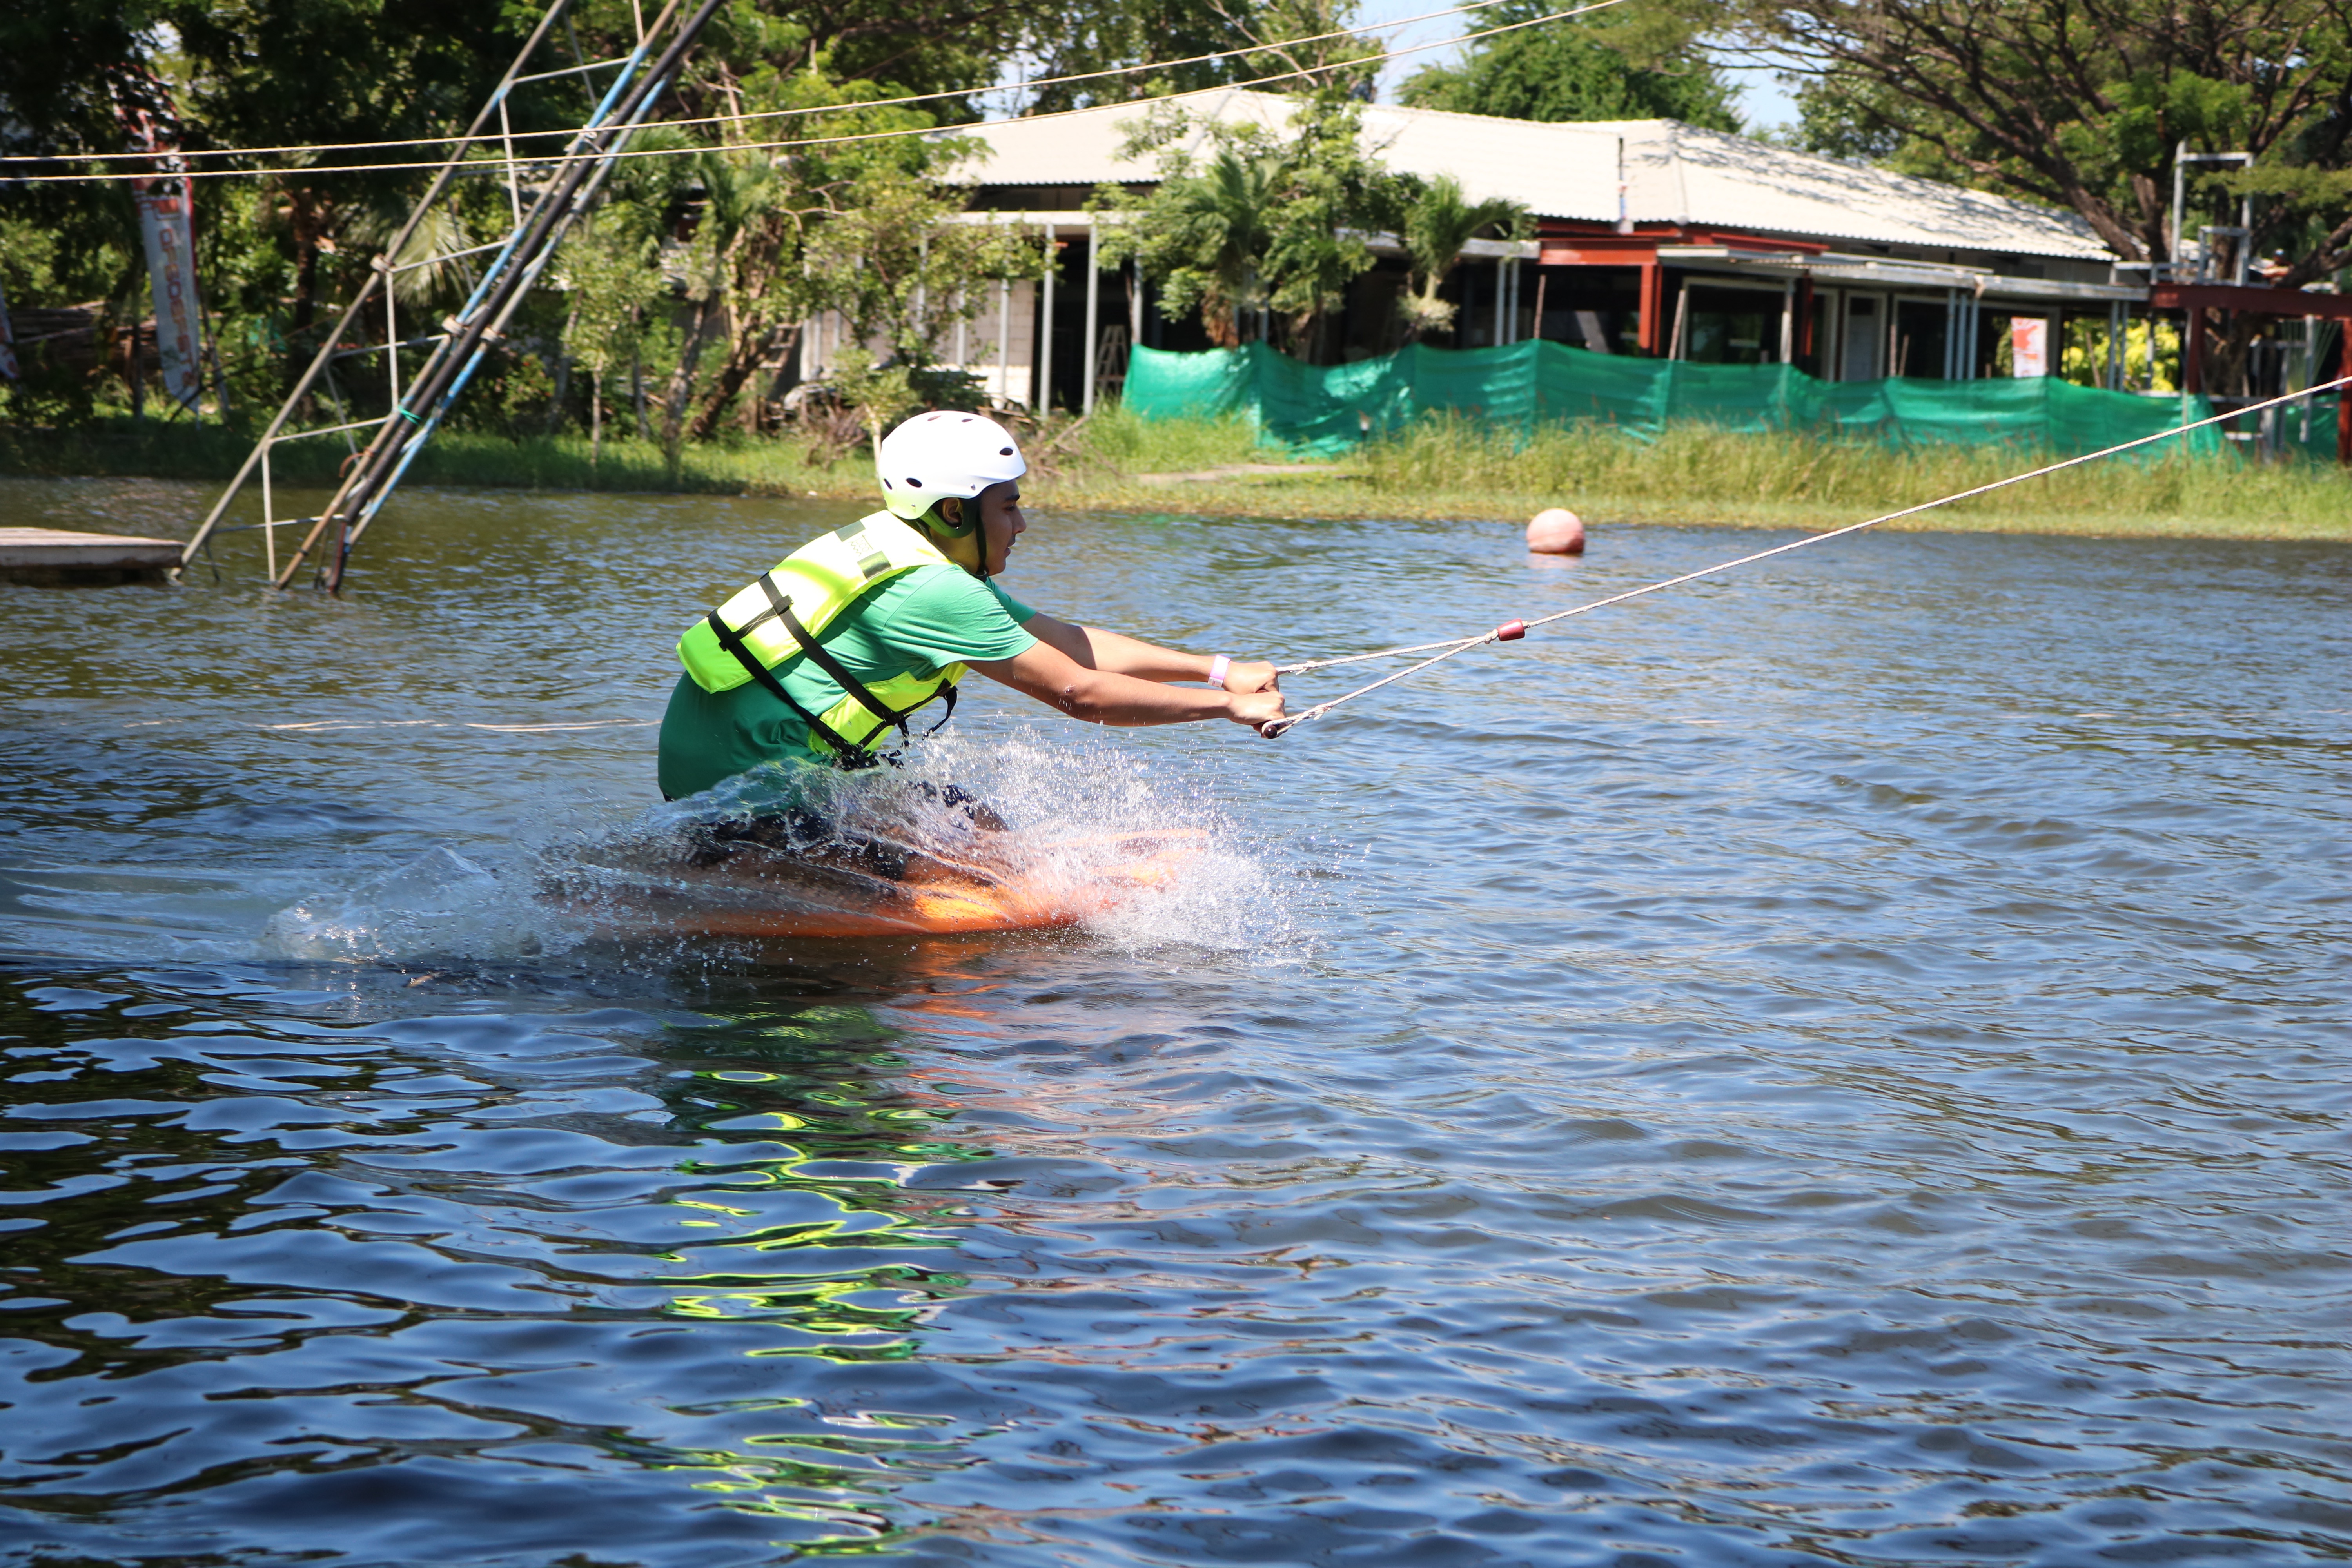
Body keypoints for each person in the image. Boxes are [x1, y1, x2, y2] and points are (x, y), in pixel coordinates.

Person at [657, 410, 1285, 810]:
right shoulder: (934, 591)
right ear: (955, 512)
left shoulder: (912, 550)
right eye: (1008, 508)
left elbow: (1068, 643)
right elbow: (1080, 693)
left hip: (743, 757)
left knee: (969, 819)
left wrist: (1218, 671)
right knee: (944, 869)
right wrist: (1229, 708)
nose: (1022, 525)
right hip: (740, 780)